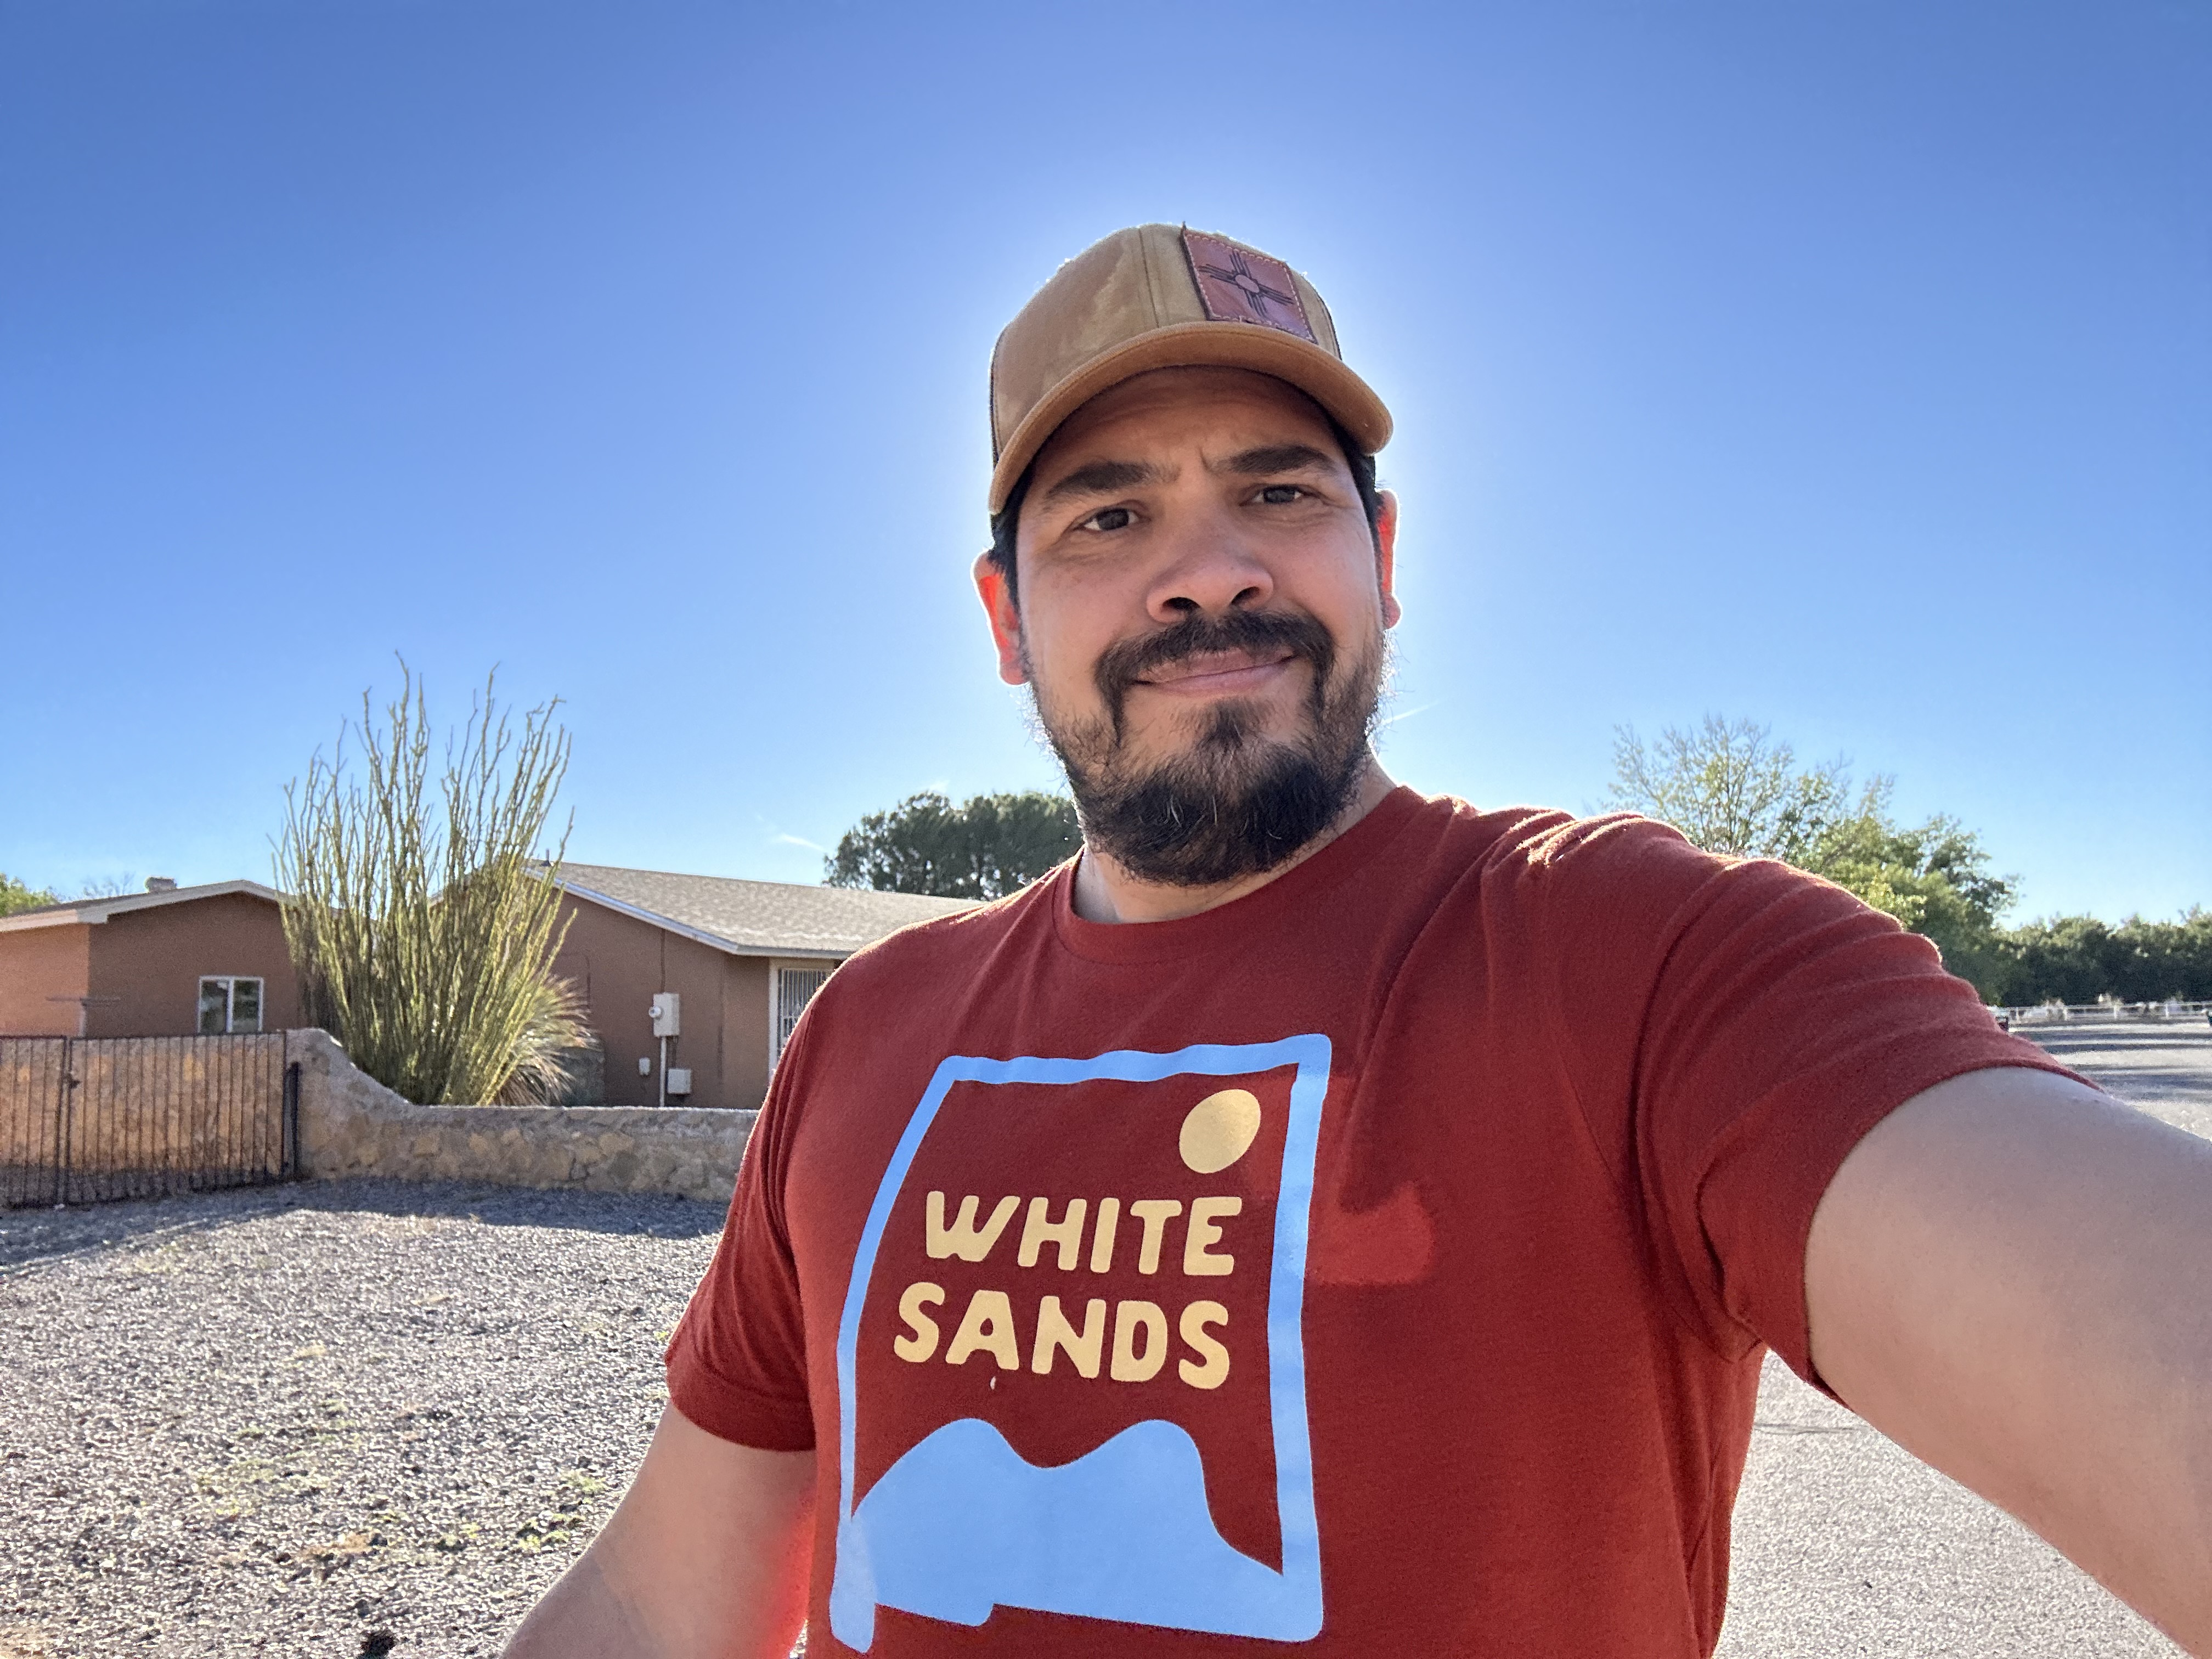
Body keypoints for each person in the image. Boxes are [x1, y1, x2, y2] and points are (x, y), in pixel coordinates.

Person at [505, 225, 2212, 1658]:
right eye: (1108, 516)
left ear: (1382, 560)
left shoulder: (1646, 962)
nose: (1208, 572)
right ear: (1003, 618)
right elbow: (673, 1598)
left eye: (1278, 491)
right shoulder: (871, 1033)